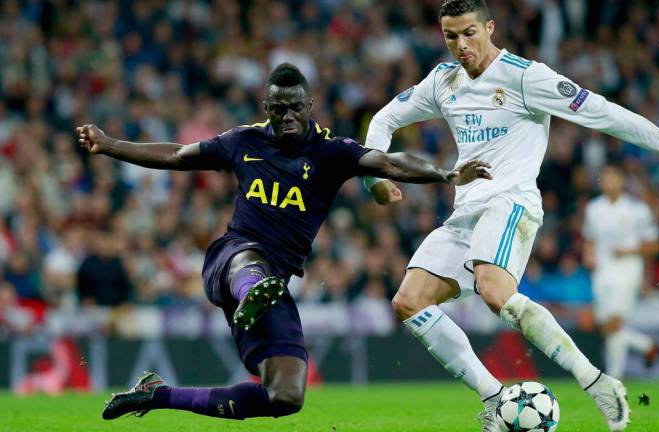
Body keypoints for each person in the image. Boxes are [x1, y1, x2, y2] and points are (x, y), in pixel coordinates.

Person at [80, 63, 492, 422]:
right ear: (266, 108)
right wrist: (110, 145)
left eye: (296, 107)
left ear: (310, 105)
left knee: (285, 396)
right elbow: (177, 155)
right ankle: (251, 290)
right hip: (231, 258)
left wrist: (446, 174)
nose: (288, 116)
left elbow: (388, 162)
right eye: (278, 109)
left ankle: (158, 394)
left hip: (275, 282)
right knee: (249, 262)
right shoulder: (244, 140)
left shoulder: (331, 152)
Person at [363, 1, 659, 430]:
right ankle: (494, 398)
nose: (461, 45)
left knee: (493, 289)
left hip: (511, 201)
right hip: (466, 211)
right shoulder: (443, 81)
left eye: (469, 33)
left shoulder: (525, 77)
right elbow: (384, 119)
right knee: (409, 302)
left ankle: (596, 381)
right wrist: (372, 179)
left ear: (490, 27)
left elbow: (600, 112)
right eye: (451, 36)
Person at [582, 165, 659, 379]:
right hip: (602, 270)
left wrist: (629, 250)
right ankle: (647, 345)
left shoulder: (637, 209)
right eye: (606, 179)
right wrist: (588, 255)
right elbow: (589, 238)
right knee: (605, 326)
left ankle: (614, 378)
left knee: (615, 323)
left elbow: (655, 245)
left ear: (621, 181)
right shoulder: (593, 208)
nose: (609, 183)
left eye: (613, 178)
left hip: (628, 269)